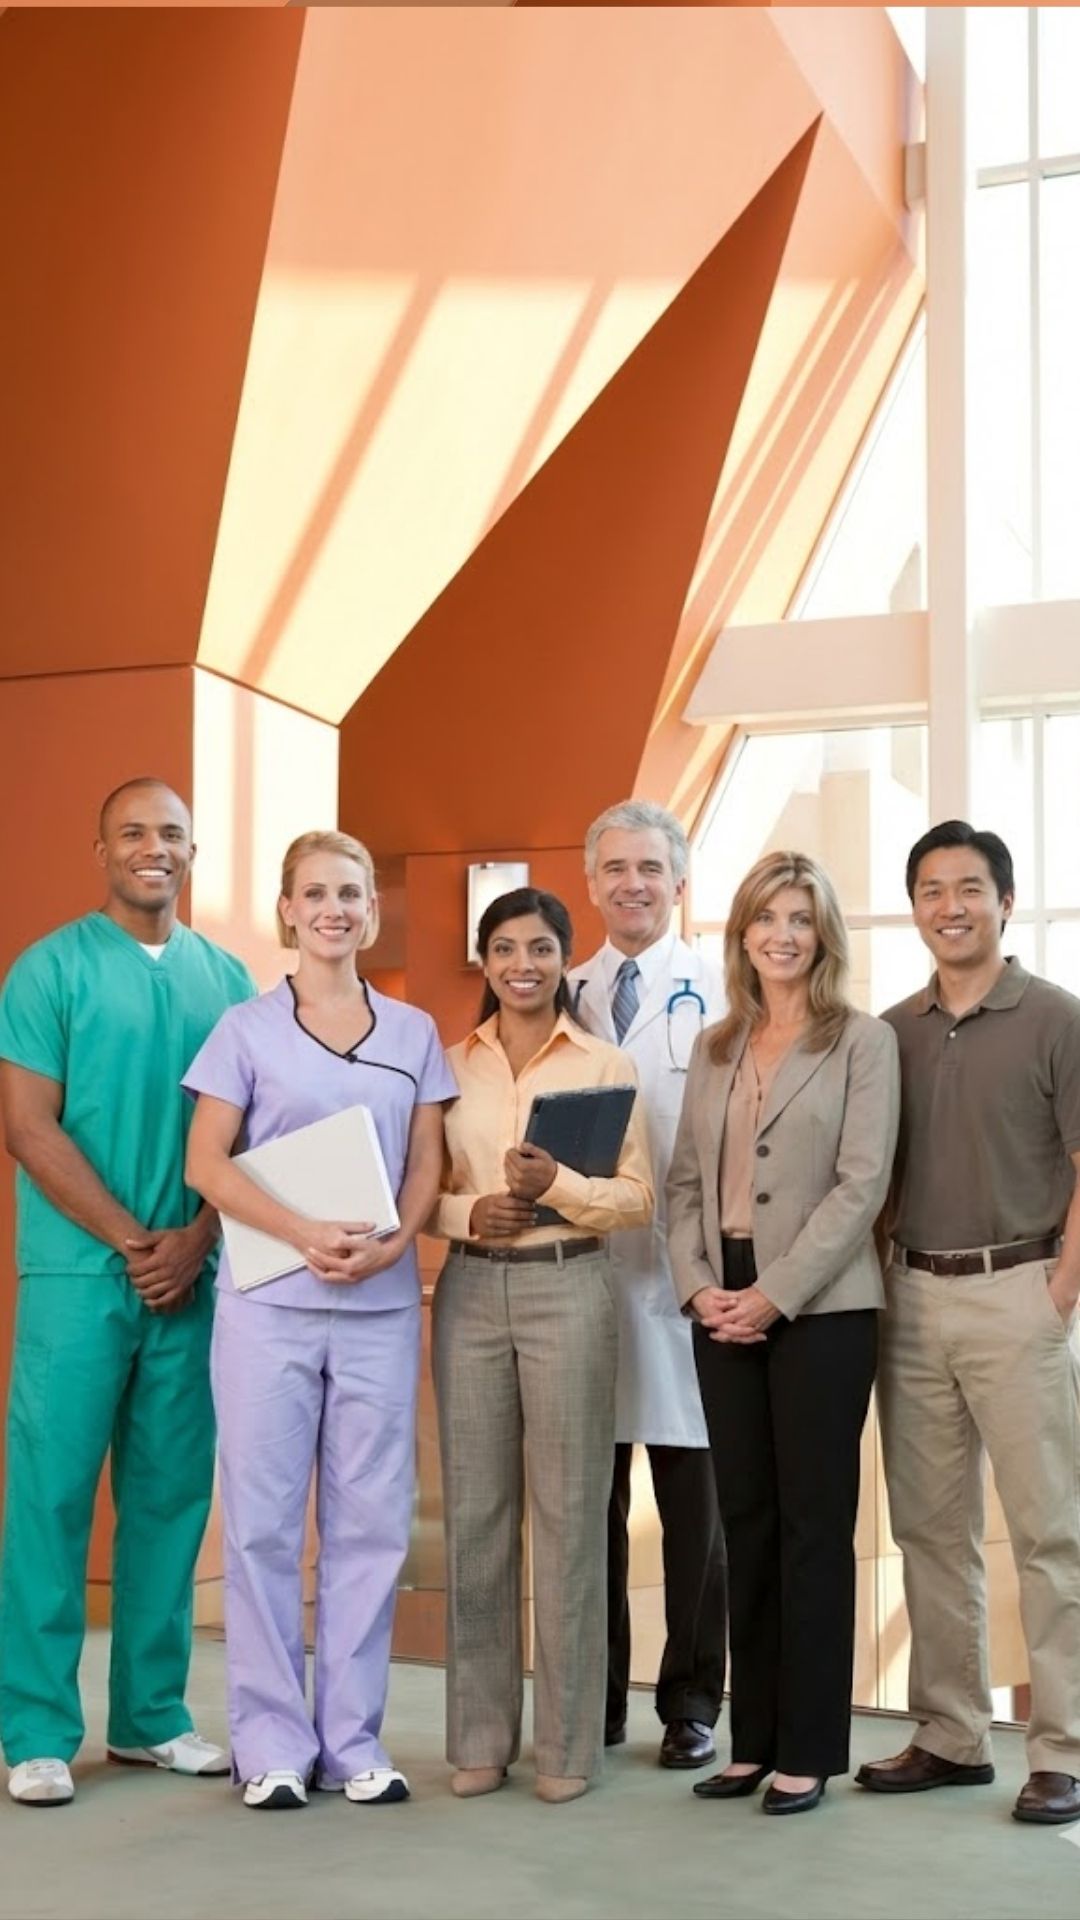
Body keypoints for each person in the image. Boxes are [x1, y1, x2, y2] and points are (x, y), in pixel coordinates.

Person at [183, 830, 455, 1812]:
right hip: (268, 1307)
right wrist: (300, 1231)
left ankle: (354, 1742)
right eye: (316, 893)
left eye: (351, 892)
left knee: (371, 1523)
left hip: (379, 1305)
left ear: (370, 913)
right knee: (260, 1523)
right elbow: (204, 1165)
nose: (336, 908)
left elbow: (428, 1161)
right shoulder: (244, 1031)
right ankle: (270, 1746)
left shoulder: (414, 1033)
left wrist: (398, 1243)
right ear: (287, 910)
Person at [0, 778, 256, 1808]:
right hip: (78, 1279)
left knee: (168, 1499)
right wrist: (132, 1239)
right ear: (100, 845)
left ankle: (152, 1717)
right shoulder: (48, 970)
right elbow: (28, 1126)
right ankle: (34, 1729)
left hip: (190, 1276)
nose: (156, 849)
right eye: (136, 832)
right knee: (51, 1501)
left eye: (173, 835)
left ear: (193, 854)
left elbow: (252, 1129)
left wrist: (195, 1240)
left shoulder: (229, 979)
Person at [856, 821, 1080, 1826]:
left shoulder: (1058, 1019)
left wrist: (1061, 1293)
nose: (951, 904)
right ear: (913, 908)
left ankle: (1064, 1751)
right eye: (932, 889)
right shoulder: (888, 1032)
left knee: (1050, 1535)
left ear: (1006, 902)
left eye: (971, 887)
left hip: (1019, 1292)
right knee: (930, 1531)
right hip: (910, 1298)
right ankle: (950, 1734)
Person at [667, 850, 899, 1815]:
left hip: (824, 1308)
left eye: (801, 919)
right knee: (746, 1523)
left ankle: (806, 1745)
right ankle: (750, 1738)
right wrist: (699, 1290)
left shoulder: (863, 1042)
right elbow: (683, 1182)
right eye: (767, 918)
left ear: (824, 934)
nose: (783, 935)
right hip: (721, 1298)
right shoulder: (717, 1046)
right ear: (743, 933)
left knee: (811, 1528)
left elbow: (863, 1186)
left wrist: (776, 1294)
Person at [430, 886, 653, 1805]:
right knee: (476, 1521)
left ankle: (567, 1750)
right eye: (505, 948)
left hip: (571, 1284)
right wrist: (465, 1209)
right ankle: (480, 1737)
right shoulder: (445, 1068)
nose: (523, 964)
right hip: (472, 1287)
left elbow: (637, 1196)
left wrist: (558, 1182)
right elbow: (419, 1192)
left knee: (568, 1520)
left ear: (567, 961)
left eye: (542, 949)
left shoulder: (606, 1064)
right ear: (483, 960)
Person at [568, 800, 726, 1769]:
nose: (633, 882)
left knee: (695, 1517)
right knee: (585, 1511)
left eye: (650, 868)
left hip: (685, 1281)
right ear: (593, 882)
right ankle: (594, 1701)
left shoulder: (717, 988)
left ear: (679, 883)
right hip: (580, 1282)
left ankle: (693, 1703)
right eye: (616, 867)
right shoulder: (559, 984)